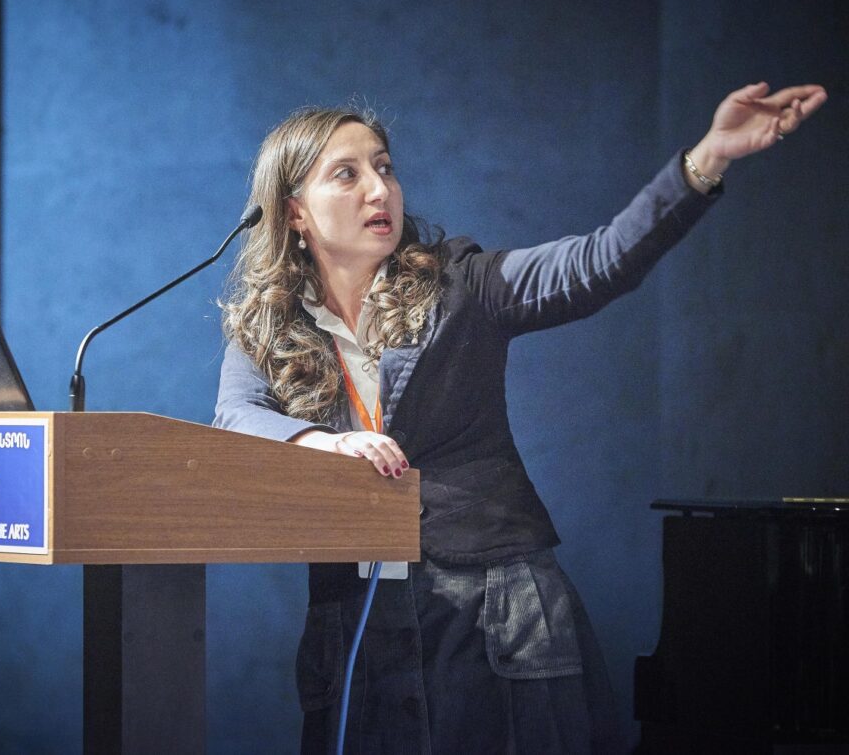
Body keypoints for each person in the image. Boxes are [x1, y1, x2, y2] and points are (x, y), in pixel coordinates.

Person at [213, 81, 827, 754]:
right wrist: (324, 444)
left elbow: (601, 262)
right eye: (347, 173)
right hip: (359, 619)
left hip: (493, 609)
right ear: (295, 211)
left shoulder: (462, 285)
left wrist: (706, 160)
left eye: (384, 166)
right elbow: (235, 418)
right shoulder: (273, 328)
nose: (379, 189)